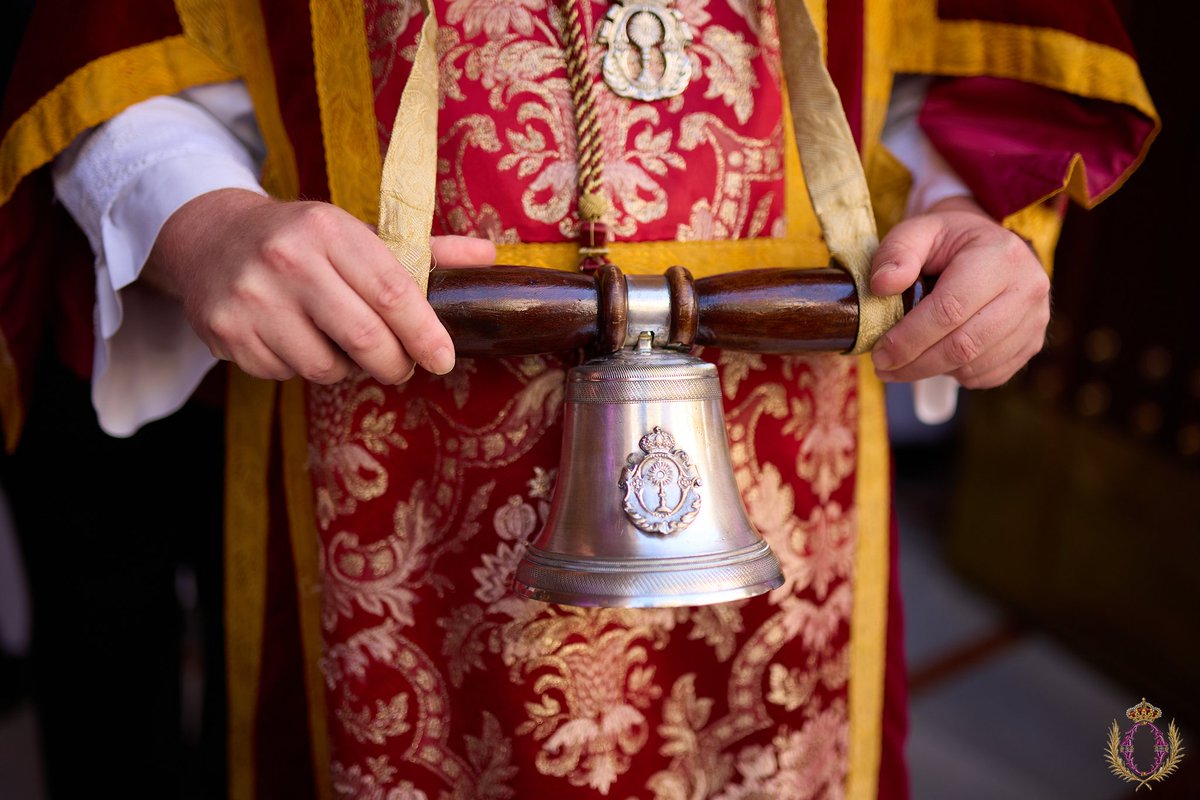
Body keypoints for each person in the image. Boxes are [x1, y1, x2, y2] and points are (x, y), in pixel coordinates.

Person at [0, 1, 1156, 797]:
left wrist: (979, 228)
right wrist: (197, 217)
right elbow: (117, 49)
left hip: (789, 444)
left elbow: (962, 72)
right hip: (375, 453)